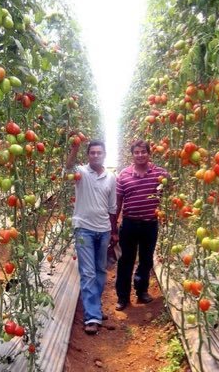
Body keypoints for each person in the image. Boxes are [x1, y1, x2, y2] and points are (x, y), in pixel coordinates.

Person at [66, 139, 117, 334]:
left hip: (103, 230)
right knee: (88, 273)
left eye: (99, 152)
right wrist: (74, 148)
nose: (95, 155)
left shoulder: (111, 177)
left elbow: (112, 207)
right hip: (83, 229)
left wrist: (114, 232)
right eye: (92, 152)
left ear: (104, 154)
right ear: (88, 155)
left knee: (100, 271)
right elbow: (68, 169)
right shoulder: (81, 172)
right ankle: (92, 317)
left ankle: (94, 307)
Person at [115, 139, 170, 311]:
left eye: (143, 152)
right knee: (125, 261)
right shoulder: (124, 175)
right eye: (136, 152)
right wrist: (113, 226)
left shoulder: (160, 173)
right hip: (129, 224)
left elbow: (169, 191)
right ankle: (123, 297)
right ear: (132, 155)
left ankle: (141, 291)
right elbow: (118, 202)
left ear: (149, 153)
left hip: (150, 224)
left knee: (146, 260)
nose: (140, 155)